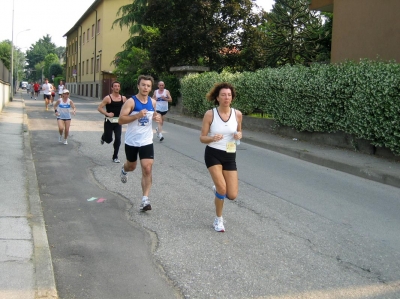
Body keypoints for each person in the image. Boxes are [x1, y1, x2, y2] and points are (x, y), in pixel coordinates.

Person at [200, 82, 243, 232]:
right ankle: (218, 220)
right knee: (222, 189)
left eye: (229, 95)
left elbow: (239, 133)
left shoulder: (237, 114)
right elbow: (202, 138)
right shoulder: (210, 114)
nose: (226, 97)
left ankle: (219, 190)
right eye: (223, 95)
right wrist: (212, 138)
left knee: (232, 195)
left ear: (232, 98)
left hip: (230, 154)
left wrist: (239, 135)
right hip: (213, 153)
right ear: (217, 98)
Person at [118, 75, 161, 211]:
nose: (145, 88)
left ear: (150, 88)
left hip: (146, 140)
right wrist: (136, 115)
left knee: (147, 168)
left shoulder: (153, 102)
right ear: (138, 86)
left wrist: (156, 117)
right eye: (143, 85)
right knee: (132, 166)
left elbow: (155, 115)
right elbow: (120, 120)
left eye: (148, 86)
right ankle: (124, 169)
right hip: (132, 140)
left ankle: (145, 199)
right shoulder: (131, 102)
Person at [97, 81, 127, 163]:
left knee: (118, 139)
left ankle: (115, 156)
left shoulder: (123, 98)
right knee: (108, 140)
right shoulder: (108, 98)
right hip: (109, 122)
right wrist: (107, 113)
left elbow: (127, 108)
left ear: (119, 88)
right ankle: (104, 137)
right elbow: (99, 108)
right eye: (115, 86)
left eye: (118, 86)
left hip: (118, 122)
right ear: (112, 88)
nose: (117, 87)